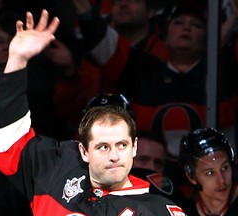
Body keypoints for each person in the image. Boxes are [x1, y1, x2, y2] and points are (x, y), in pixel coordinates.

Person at [0, 9, 185, 215]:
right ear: (84, 151)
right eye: (103, 147)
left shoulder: (158, 210)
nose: (114, 156)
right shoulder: (55, 171)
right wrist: (17, 60)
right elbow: (2, 140)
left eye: (122, 145)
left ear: (134, 147)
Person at [71, 0, 238, 156]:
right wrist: (84, 11)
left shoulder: (226, 72)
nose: (186, 28)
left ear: (208, 39)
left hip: (213, 181)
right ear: (164, 37)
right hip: (151, 177)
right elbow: (101, 39)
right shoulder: (143, 70)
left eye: (196, 25)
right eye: (178, 22)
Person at [179, 128, 238, 215]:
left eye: (224, 168)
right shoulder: (182, 210)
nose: (221, 180)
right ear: (191, 177)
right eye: (210, 173)